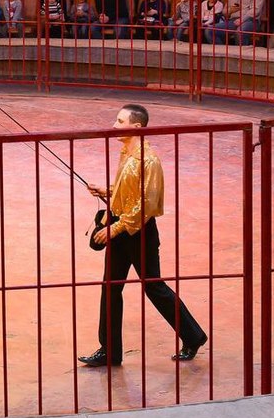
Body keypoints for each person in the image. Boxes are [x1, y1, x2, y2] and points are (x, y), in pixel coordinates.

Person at [79, 104, 207, 367]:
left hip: (138, 232)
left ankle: (193, 336)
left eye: (119, 121)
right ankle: (109, 350)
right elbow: (130, 193)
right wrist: (107, 190)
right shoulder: (128, 152)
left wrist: (112, 229)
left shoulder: (148, 160)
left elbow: (145, 206)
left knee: (153, 287)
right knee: (111, 287)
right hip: (121, 226)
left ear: (136, 128)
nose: (114, 126)